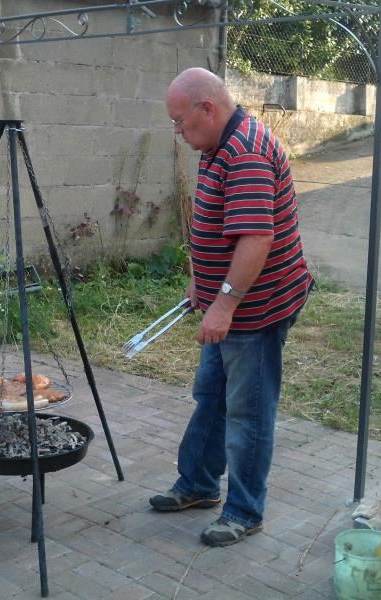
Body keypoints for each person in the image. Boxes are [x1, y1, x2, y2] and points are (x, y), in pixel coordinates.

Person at [149, 67, 313, 547]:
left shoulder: (245, 154)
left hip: (258, 308)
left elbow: (256, 239)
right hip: (231, 300)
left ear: (207, 109)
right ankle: (199, 484)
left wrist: (224, 305)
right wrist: (199, 278)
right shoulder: (216, 145)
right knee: (212, 394)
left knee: (248, 411)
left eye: (180, 121)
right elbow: (215, 223)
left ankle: (244, 511)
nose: (178, 132)